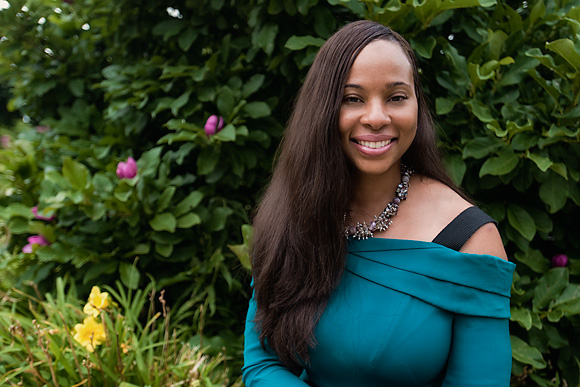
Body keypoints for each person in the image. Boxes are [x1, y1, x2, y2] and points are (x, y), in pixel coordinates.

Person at [243, 20, 515, 386]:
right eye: (352, 98)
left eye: (396, 97)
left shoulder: (470, 240)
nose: (376, 117)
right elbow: (262, 365)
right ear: (323, 110)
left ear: (417, 105)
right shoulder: (292, 216)